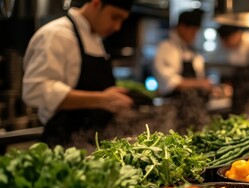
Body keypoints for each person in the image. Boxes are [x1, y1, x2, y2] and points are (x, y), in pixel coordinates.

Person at [22, 0, 134, 148]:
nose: (117, 27)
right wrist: (101, 99)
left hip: (94, 145)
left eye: (122, 20)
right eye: (114, 17)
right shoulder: (57, 34)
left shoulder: (96, 39)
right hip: (64, 147)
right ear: (96, 4)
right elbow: (35, 89)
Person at [153, 9, 213, 133]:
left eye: (196, 31)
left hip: (197, 111)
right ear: (181, 27)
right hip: (174, 113)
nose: (194, 35)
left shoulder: (193, 52)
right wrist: (200, 83)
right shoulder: (166, 48)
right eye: (192, 31)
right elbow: (170, 82)